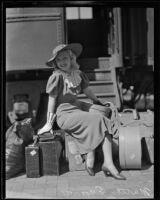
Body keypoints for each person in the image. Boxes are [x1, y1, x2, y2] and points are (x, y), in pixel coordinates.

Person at [38, 43, 126, 180]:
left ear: (71, 58)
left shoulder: (78, 74)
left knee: (102, 113)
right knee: (98, 119)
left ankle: (106, 162)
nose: (62, 62)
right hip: (64, 114)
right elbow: (52, 100)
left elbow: (87, 91)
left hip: (77, 107)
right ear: (55, 63)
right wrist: (49, 123)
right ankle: (94, 155)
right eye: (58, 60)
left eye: (65, 58)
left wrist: (97, 102)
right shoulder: (56, 77)